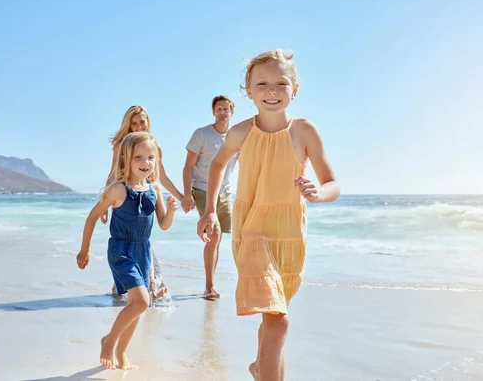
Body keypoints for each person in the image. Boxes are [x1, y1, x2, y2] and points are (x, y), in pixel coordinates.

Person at [196, 49, 340, 380]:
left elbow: (333, 183)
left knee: (273, 317)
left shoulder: (305, 131)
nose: (271, 91)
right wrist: (210, 211)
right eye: (261, 84)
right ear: (247, 91)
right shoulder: (241, 132)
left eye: (280, 83)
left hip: (290, 234)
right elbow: (218, 164)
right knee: (279, 320)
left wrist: (319, 194)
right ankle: (265, 371)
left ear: (295, 89)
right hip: (252, 230)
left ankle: (262, 368)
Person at [77, 131, 178, 370]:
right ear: (127, 159)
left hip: (143, 251)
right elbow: (92, 218)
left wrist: (172, 211)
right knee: (142, 301)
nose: (146, 163)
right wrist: (84, 250)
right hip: (121, 251)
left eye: (150, 157)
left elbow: (163, 224)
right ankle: (109, 341)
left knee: (137, 305)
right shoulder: (118, 190)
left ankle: (122, 352)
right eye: (138, 157)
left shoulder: (155, 188)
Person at [102, 105, 192, 300]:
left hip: (148, 196)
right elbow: (112, 174)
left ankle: (144, 286)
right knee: (129, 242)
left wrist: (181, 196)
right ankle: (141, 287)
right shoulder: (121, 145)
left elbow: (162, 177)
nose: (138, 126)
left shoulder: (153, 145)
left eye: (141, 122)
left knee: (143, 242)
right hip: (126, 198)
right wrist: (105, 203)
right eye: (133, 123)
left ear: (148, 122)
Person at [182, 95, 238, 298]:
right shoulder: (202, 134)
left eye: (226, 109)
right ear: (214, 112)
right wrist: (187, 194)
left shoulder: (236, 137)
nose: (222, 112)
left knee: (218, 238)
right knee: (214, 235)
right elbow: (188, 165)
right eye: (219, 109)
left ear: (232, 112)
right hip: (203, 190)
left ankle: (210, 283)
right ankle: (209, 286)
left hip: (226, 193)